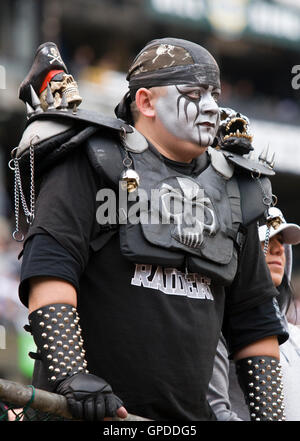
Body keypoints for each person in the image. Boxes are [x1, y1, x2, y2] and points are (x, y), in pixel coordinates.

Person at [13, 38, 288, 421]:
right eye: (193, 94)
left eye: (213, 94)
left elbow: (254, 320)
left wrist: (269, 418)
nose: (210, 106)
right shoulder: (92, 159)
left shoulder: (237, 188)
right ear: (145, 102)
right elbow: (50, 266)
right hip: (88, 415)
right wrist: (71, 376)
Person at [208, 207, 300, 421]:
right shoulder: (219, 325)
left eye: (281, 242)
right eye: (267, 240)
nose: (278, 250)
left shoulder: (296, 335)